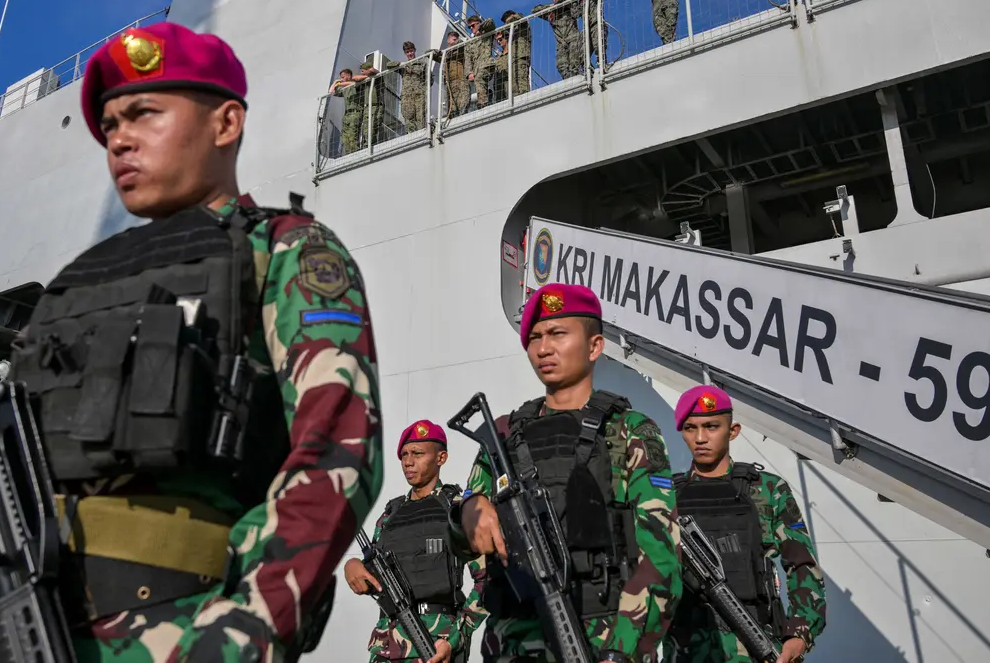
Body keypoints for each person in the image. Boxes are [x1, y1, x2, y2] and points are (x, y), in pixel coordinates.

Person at [0, 21, 382, 663]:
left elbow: (337, 448)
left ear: (225, 124)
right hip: (5, 622)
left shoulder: (281, 249)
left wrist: (245, 628)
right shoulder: (77, 282)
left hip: (180, 629)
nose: (120, 141)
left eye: (144, 114)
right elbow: (12, 436)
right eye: (110, 126)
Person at [452, 284, 681, 663]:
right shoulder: (503, 434)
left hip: (602, 638)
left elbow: (661, 554)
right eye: (535, 337)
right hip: (512, 643)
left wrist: (621, 651)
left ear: (594, 347)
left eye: (558, 334)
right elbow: (465, 538)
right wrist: (467, 510)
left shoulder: (629, 431)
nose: (543, 348)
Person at [665, 386, 825, 663]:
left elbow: (802, 565)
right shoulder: (665, 495)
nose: (700, 438)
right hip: (686, 648)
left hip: (756, 644)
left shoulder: (767, 490)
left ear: (733, 430)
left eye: (712, 426)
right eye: (690, 428)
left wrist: (800, 633)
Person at [345, 421, 487, 663]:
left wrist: (455, 638)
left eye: (418, 454)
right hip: (386, 647)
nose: (408, 462)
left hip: (436, 645)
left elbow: (488, 579)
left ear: (441, 458)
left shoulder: (458, 510)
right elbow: (374, 574)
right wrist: (353, 567)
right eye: (404, 455)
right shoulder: (390, 515)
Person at [385, 42, 440, 133]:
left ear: (414, 50)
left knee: (420, 118)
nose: (410, 54)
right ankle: (411, 136)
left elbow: (431, 79)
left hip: (420, 95)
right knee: (408, 117)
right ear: (405, 53)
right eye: (407, 52)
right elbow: (388, 65)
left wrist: (422, 87)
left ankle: (422, 134)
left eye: (411, 51)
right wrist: (401, 64)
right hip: (407, 96)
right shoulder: (403, 66)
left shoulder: (422, 64)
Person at [532, 0, 584, 80]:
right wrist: (552, 6)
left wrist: (567, 2)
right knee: (561, 65)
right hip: (560, 42)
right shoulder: (551, 12)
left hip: (573, 38)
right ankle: (567, 81)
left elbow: (577, 13)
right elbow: (535, 10)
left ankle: (575, 80)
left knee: (574, 63)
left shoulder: (568, 5)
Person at [464, 15, 496, 110]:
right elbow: (468, 60)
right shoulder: (471, 43)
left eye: (473, 25)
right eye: (469, 27)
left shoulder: (486, 33)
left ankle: (482, 103)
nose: (471, 28)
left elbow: (490, 21)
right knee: (478, 82)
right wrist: (469, 73)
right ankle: (485, 99)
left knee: (479, 78)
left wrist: (480, 28)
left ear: (478, 23)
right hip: (477, 69)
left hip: (487, 64)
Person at [330, 67, 364, 154]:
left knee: (352, 136)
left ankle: (354, 153)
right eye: (341, 77)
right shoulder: (345, 89)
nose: (342, 79)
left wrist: (341, 84)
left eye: (343, 77)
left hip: (355, 112)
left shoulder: (354, 84)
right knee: (345, 138)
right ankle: (349, 153)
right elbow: (331, 92)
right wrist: (335, 82)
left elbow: (355, 82)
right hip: (347, 114)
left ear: (348, 75)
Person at [575, 0, 605, 64]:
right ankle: (588, 71)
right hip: (587, 28)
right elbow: (575, 14)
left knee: (599, 49)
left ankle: (602, 67)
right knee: (580, 54)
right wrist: (577, 1)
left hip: (596, 24)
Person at [500, 11, 532, 97]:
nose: (507, 24)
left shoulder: (522, 23)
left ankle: (525, 97)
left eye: (507, 21)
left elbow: (519, 17)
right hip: (514, 58)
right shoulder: (512, 31)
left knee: (522, 79)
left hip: (521, 55)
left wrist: (510, 21)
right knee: (514, 81)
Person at [443, 31, 469, 119]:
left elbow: (461, 43)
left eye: (456, 38)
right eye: (452, 37)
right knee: (452, 108)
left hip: (460, 80)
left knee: (463, 104)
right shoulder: (445, 54)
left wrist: (454, 44)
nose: (454, 39)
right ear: (448, 40)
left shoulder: (460, 48)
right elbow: (432, 53)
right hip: (450, 83)